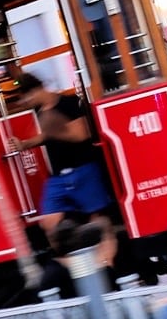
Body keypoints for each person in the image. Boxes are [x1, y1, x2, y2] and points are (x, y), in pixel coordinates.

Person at [7, 74, 116, 267]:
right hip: (58, 177)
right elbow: (47, 136)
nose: (25, 102)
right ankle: (80, 268)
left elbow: (81, 134)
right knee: (48, 222)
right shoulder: (42, 112)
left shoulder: (69, 102)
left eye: (26, 96)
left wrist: (53, 127)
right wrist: (24, 144)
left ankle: (108, 265)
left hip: (83, 168)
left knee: (98, 221)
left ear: (37, 90)